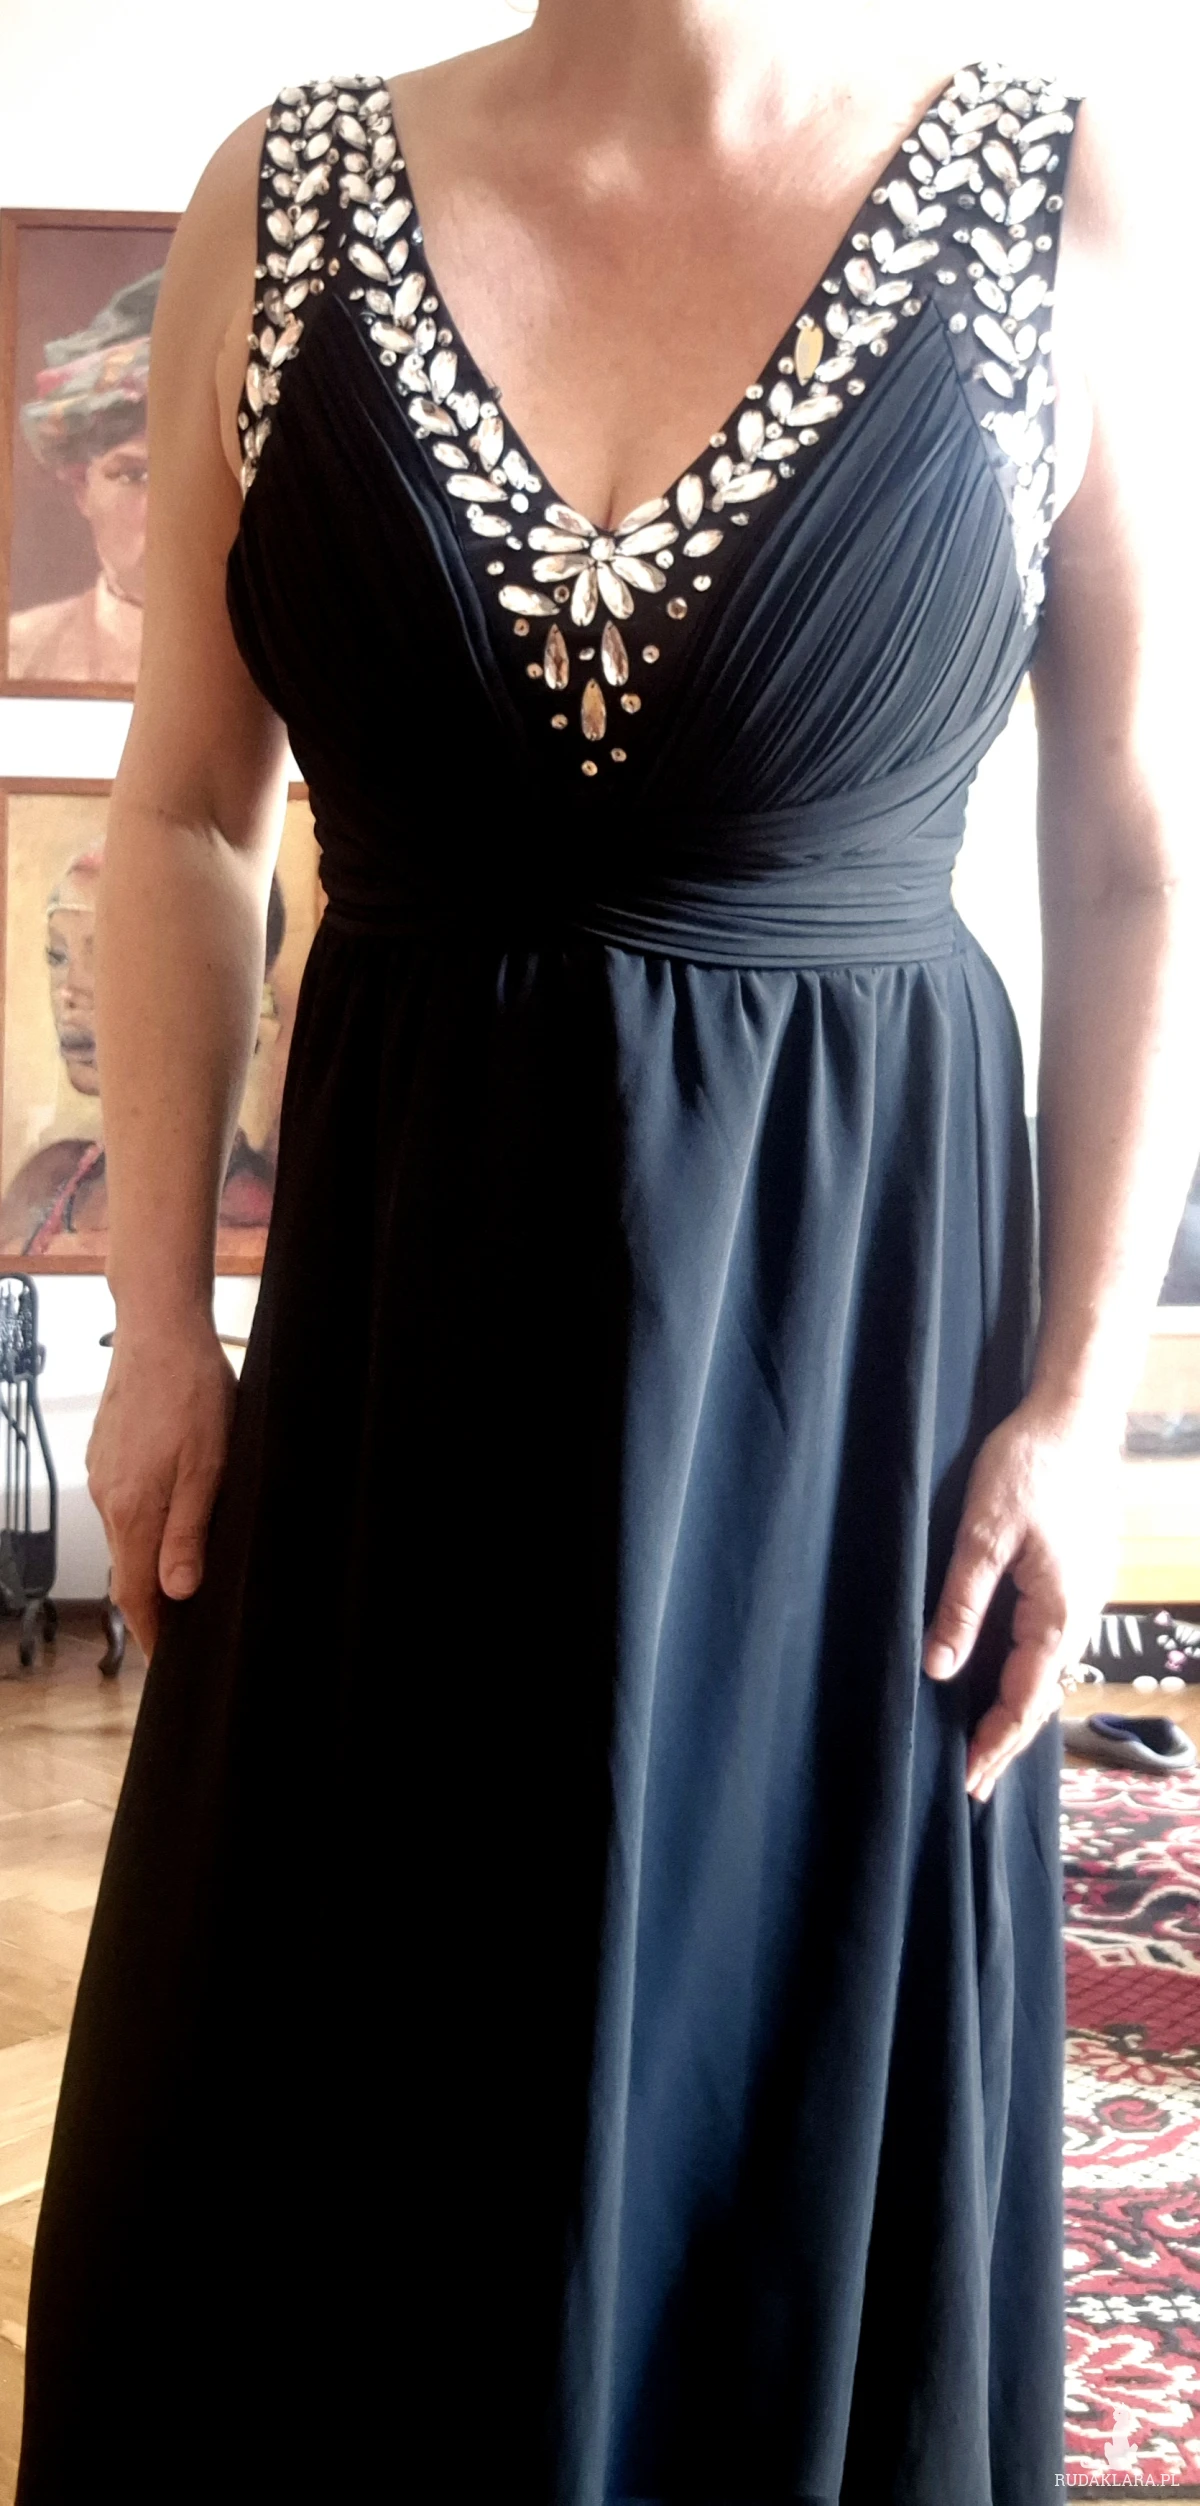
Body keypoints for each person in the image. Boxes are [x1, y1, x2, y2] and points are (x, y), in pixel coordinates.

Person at [15, 9, 1198, 2502]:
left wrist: (1081, 1394)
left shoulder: (1054, 184)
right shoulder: (281, 193)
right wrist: (156, 1325)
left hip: (854, 1357)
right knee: (350, 2050)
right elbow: (191, 810)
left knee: (774, 2054)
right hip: (397, 1332)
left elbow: (1126, 838)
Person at [0, 850, 288, 1261]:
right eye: (58, 956)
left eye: (108, 957)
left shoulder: (248, 1227)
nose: (67, 992)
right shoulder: (47, 1181)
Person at [8, 271, 160, 684]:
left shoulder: (298, 655)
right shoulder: (20, 653)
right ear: (81, 488)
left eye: (193, 477)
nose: (166, 512)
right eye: (134, 474)